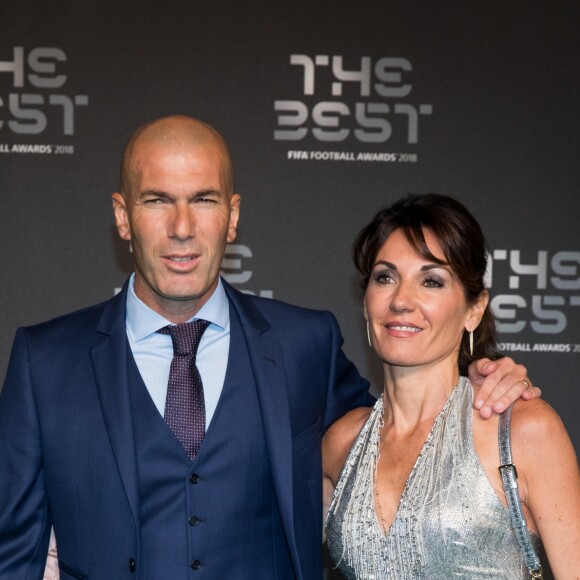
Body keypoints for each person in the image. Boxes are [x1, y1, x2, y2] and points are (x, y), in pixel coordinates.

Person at [0, 117, 538, 580]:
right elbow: (14, 557)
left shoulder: (305, 344)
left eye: (203, 200)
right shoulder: (44, 362)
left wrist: (481, 375)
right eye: (157, 200)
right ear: (123, 216)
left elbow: (405, 432)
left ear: (232, 215)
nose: (182, 228)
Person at [323, 193, 580, 578]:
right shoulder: (341, 441)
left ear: (475, 309)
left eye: (431, 281)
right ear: (366, 301)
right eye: (385, 277)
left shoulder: (523, 430)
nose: (401, 301)